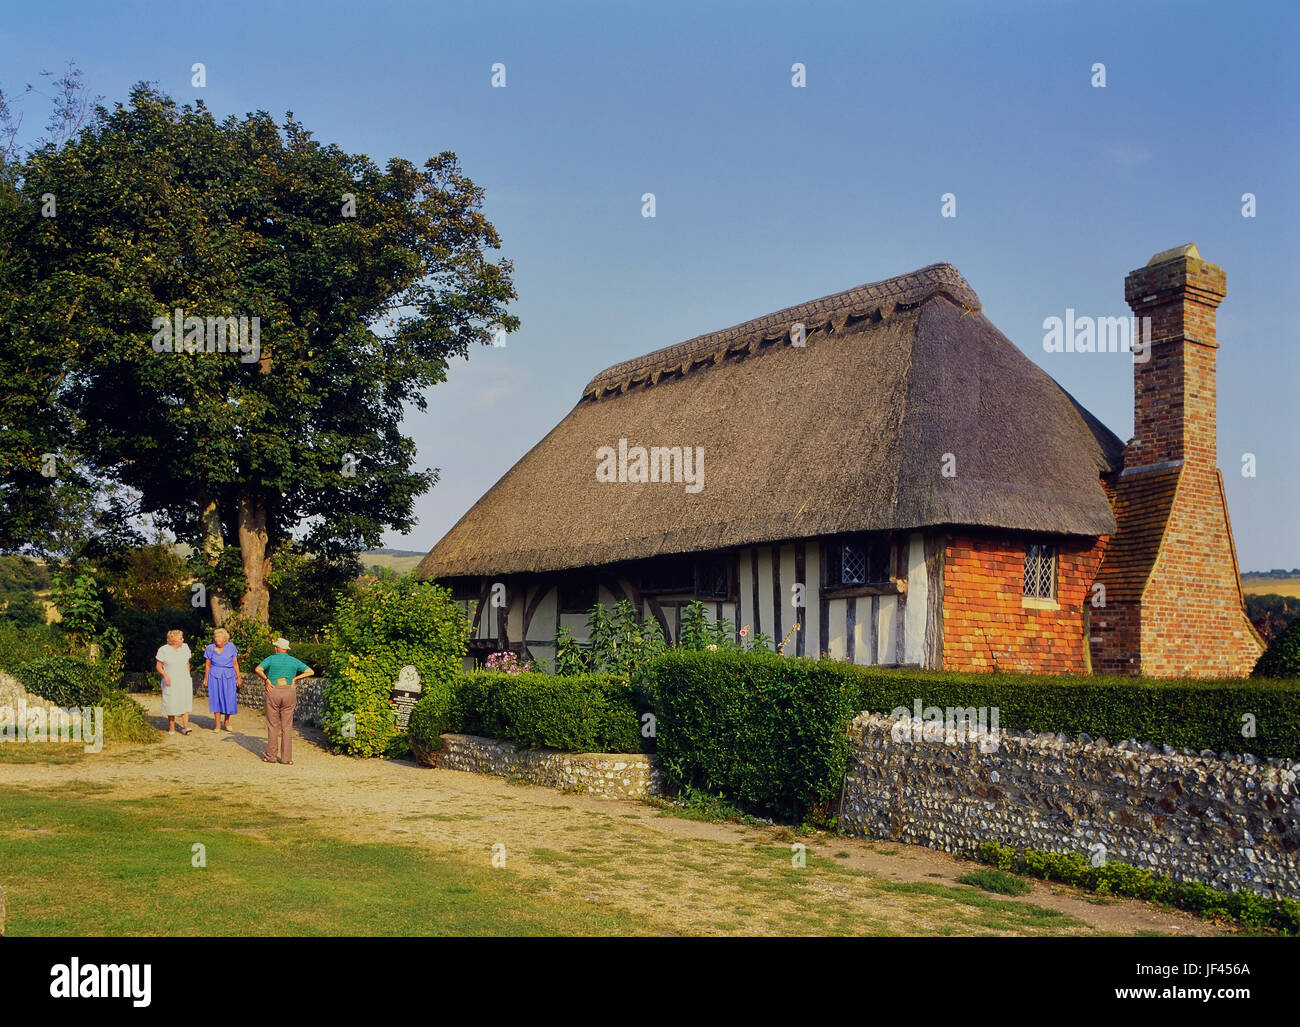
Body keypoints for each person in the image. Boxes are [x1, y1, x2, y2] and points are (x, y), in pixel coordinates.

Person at [254, 637, 312, 765]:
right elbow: (310, 671)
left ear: (277, 648)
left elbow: (258, 669)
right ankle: (286, 758)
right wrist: (295, 679)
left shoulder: (271, 658)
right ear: (286, 649)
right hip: (289, 692)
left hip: (273, 691)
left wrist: (266, 680)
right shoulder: (294, 660)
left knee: (273, 725)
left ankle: (271, 756)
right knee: (287, 725)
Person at [156, 629, 194, 735]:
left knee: (185, 701)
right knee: (171, 702)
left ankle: (185, 726)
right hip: (171, 680)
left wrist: (188, 675)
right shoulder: (164, 650)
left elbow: (187, 663)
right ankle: (171, 726)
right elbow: (159, 666)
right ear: (173, 640)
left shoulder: (185, 648)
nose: (183, 639)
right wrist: (165, 676)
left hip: (184, 679)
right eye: (180, 638)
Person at [203, 628, 241, 731]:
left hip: (229, 676)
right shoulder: (210, 648)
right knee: (216, 699)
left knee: (229, 698)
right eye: (215, 636)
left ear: (225, 638)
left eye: (219, 636)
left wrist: (238, 677)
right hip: (214, 676)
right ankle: (217, 725)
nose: (216, 638)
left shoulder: (231, 647)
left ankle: (227, 721)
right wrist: (206, 678)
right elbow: (207, 665)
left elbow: (235, 663)